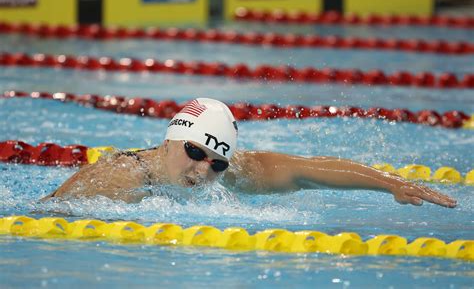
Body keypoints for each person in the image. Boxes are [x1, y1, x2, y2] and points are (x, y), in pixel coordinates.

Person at [42, 98, 457, 208]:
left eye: (217, 162)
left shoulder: (232, 172)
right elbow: (47, 215)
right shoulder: (120, 180)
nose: (204, 169)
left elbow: (310, 171)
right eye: (193, 151)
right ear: (169, 141)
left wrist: (390, 185)